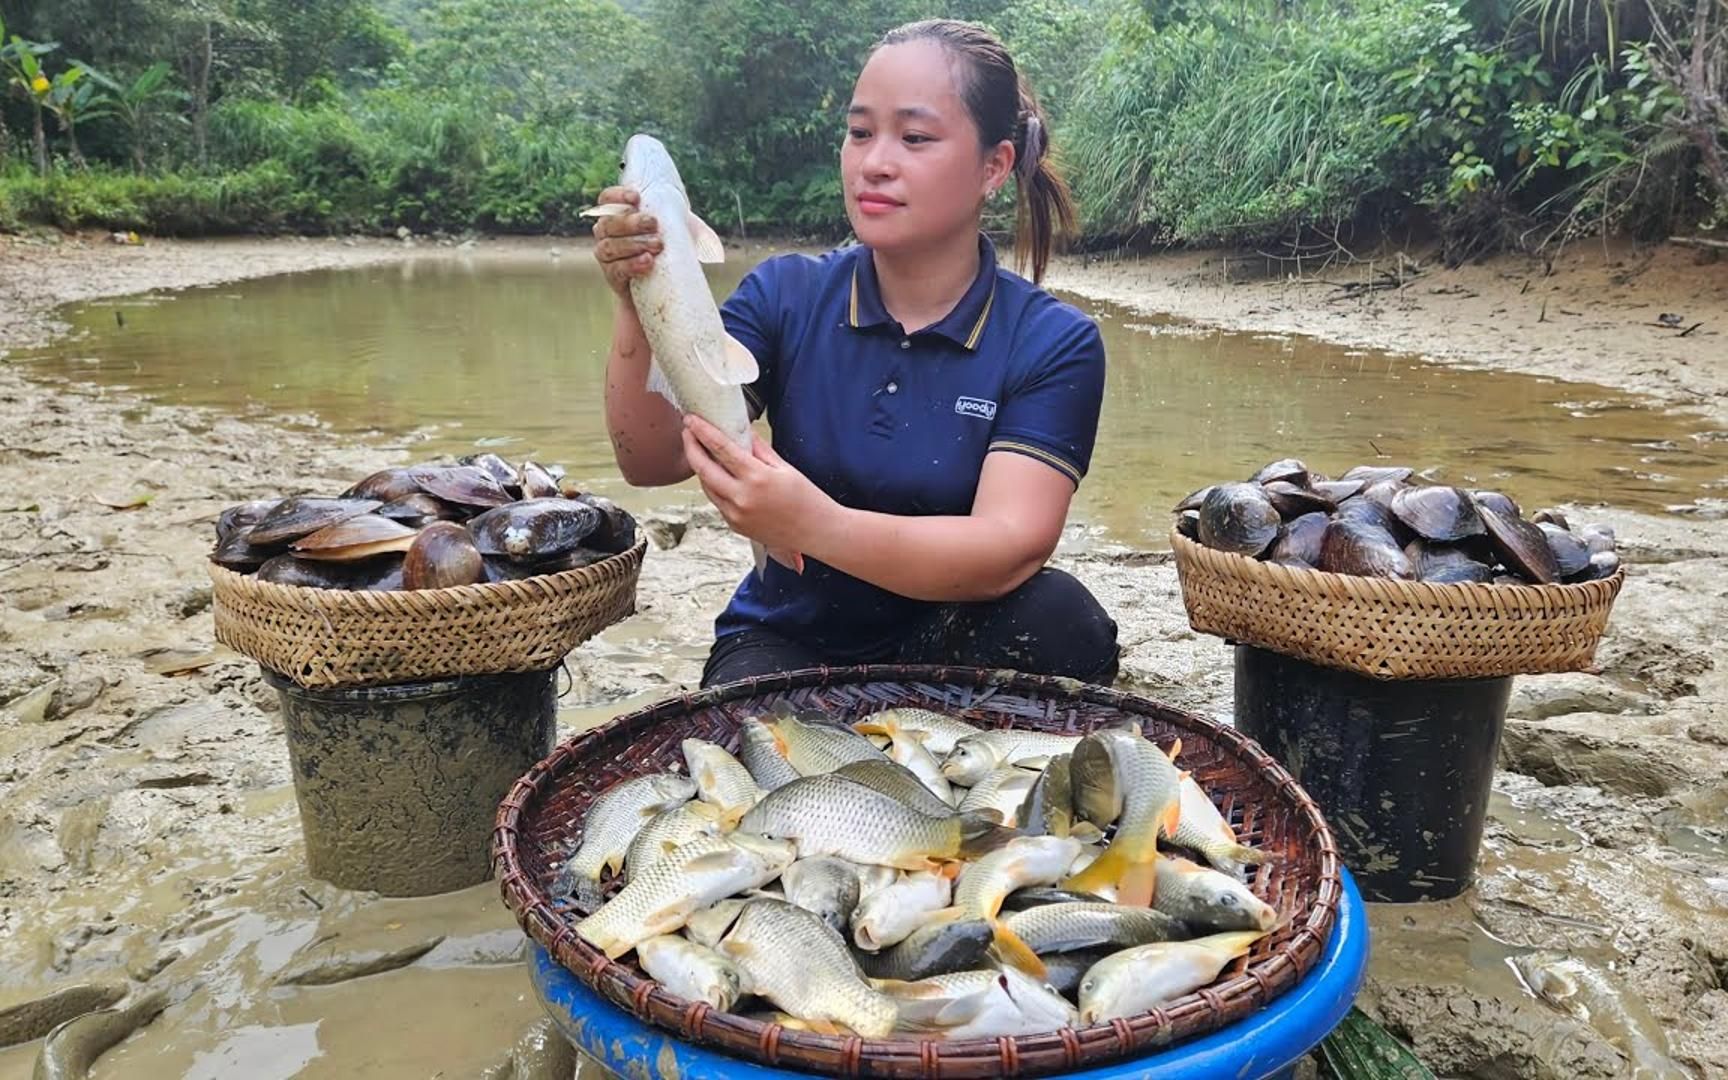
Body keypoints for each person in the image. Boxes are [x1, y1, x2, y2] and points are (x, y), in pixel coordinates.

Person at [589, 18, 1118, 688]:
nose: (874, 162)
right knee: (738, 733)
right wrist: (636, 301)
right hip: (792, 638)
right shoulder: (786, 295)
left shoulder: (1052, 340)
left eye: (915, 137)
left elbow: (1007, 549)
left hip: (956, 634)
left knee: (1060, 619)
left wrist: (814, 524)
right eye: (860, 132)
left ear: (994, 166)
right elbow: (651, 459)